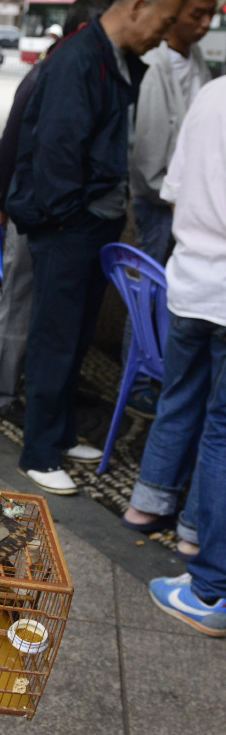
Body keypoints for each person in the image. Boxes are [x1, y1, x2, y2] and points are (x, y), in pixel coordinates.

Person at [6, 0, 182, 495]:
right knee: (55, 335)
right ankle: (38, 451)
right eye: (165, 22)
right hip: (68, 223)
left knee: (76, 335)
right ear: (137, 7)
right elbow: (57, 148)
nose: (164, 36)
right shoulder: (79, 57)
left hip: (92, 219)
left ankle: (60, 434)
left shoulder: (115, 57)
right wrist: (67, 218)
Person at [0, 0, 114, 426]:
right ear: (86, 29)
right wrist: (2, 201)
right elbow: (11, 142)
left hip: (56, 215)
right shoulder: (51, 71)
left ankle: (26, 389)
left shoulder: (84, 72)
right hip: (30, 210)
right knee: (18, 301)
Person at [145, 76, 226, 637]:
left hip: (193, 282)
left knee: (181, 402)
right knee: (220, 431)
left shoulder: (211, 94)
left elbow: (172, 190)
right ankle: (210, 582)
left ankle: (155, 511)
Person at [119, 0, 217, 418]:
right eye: (196, 14)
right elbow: (148, 152)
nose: (204, 24)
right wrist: (179, 195)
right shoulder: (155, 64)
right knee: (147, 296)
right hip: (160, 200)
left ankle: (162, 380)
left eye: (211, 15)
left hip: (188, 202)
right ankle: (138, 380)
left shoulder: (197, 61)